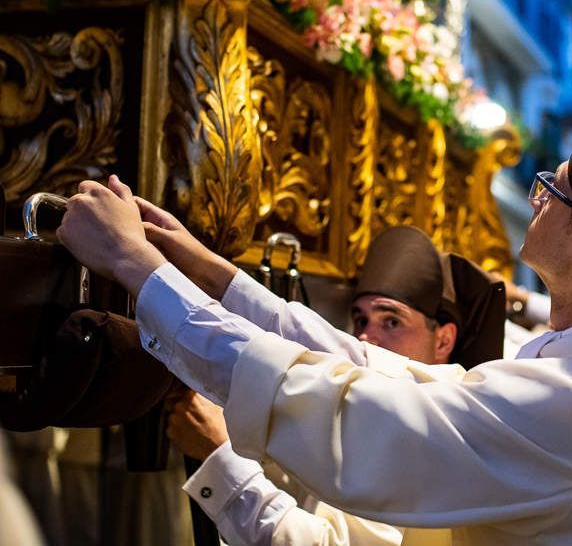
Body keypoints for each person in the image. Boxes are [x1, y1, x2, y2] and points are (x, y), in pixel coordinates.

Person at [56, 94, 572, 545]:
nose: (535, 199)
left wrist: (135, 268)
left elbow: (362, 414)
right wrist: (210, 270)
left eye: (550, 189)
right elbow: (391, 375)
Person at [166, 225, 506, 545]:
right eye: (360, 320)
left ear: (444, 341)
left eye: (391, 321)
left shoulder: (427, 438)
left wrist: (219, 457)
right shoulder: (355, 411)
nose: (365, 337)